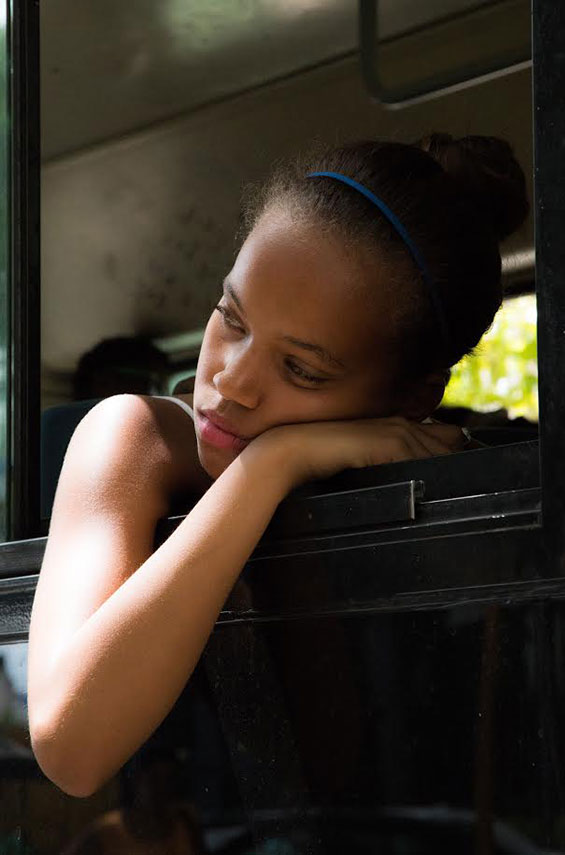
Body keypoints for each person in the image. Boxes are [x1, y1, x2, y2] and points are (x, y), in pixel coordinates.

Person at [26, 134, 529, 799]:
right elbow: (70, 744)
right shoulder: (135, 437)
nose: (231, 382)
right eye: (231, 317)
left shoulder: (429, 489)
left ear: (412, 398)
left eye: (301, 368)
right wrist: (270, 464)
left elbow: (333, 764)